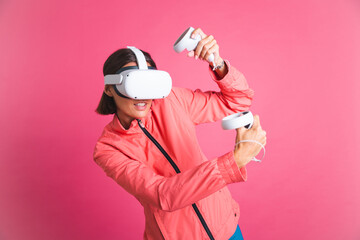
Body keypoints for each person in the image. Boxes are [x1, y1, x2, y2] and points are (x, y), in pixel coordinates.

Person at [93, 28, 267, 240]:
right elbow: (162, 194)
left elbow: (237, 100)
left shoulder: (172, 101)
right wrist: (235, 160)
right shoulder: (108, 149)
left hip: (226, 228)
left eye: (149, 84)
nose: (143, 96)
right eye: (134, 84)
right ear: (110, 88)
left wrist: (217, 63)